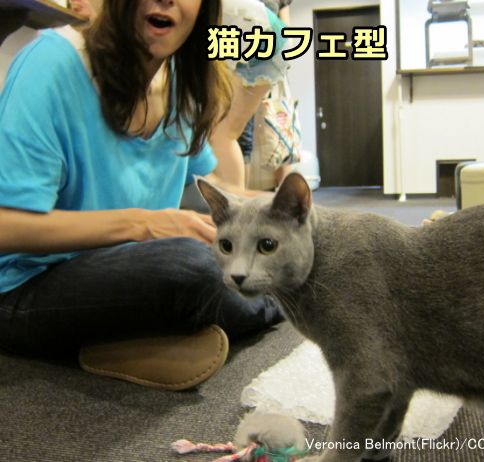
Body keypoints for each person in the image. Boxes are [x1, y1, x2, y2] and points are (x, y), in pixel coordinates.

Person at [0, 0, 283, 390]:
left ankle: (135, 339)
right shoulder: (50, 64)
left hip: (125, 268)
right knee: (192, 266)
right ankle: (279, 302)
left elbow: (207, 190)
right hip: (22, 290)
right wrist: (143, 224)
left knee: (245, 242)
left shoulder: (182, 80)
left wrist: (279, 210)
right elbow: (6, 228)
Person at [211, 0, 294, 191]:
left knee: (220, 134)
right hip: (270, 35)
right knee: (229, 134)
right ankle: (240, 201)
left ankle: (234, 207)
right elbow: (286, 26)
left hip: (243, 27)